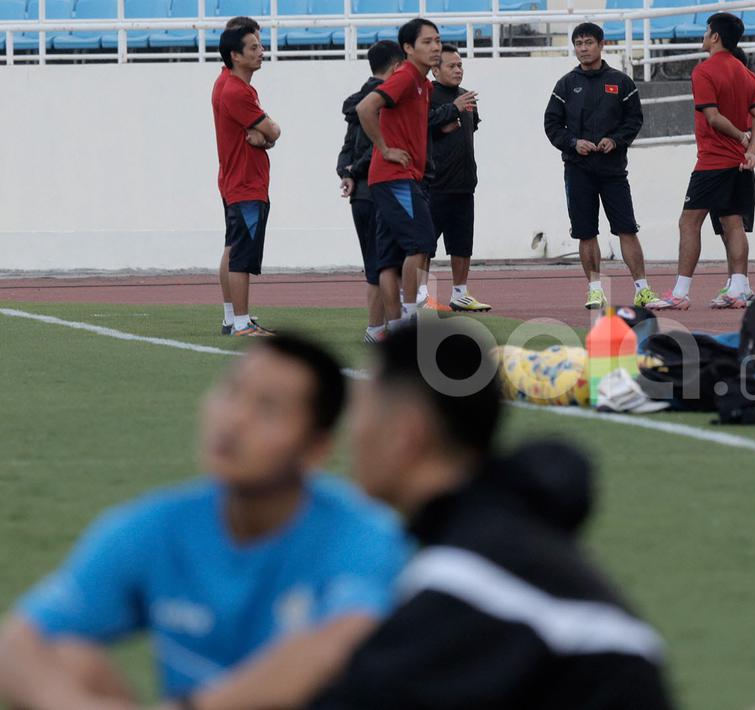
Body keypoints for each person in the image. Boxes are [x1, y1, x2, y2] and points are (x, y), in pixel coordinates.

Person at [0, 336, 408, 709]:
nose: (234, 419)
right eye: (232, 392)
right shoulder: (161, 526)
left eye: (267, 408)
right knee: (69, 661)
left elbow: (339, 643)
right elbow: (15, 644)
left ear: (316, 448)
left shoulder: (362, 535)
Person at [310, 322, 675, 709]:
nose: (352, 433)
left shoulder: (465, 581)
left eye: (361, 411)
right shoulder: (498, 538)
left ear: (405, 432)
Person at [648, 12, 755, 311]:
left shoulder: (704, 72)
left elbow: (713, 118)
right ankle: (739, 288)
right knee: (733, 223)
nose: (703, 36)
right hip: (739, 164)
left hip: (713, 162)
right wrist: (752, 149)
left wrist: (741, 138)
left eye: (706, 31)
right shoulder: (746, 73)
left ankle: (680, 292)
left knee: (689, 222)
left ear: (715, 36)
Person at [544, 22, 660, 311]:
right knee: (585, 232)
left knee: (626, 229)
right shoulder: (565, 85)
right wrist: (573, 143)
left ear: (601, 45)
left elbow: (634, 120)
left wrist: (615, 140)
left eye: (588, 42)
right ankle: (595, 290)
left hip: (613, 171)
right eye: (578, 43)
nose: (583, 48)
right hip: (578, 169)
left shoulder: (621, 82)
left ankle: (642, 290)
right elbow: (552, 124)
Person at [356, 19, 441, 330]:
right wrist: (385, 148)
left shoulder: (423, 83)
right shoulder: (405, 76)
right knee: (421, 242)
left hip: (398, 178)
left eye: (437, 41)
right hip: (394, 177)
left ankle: (382, 330)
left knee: (390, 258)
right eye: (427, 42)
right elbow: (366, 107)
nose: (435, 47)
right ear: (408, 48)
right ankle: (409, 316)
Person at [212, 23, 280, 337]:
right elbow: (274, 130)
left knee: (232, 247)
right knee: (241, 254)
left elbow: (265, 134)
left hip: (235, 180)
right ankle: (241, 323)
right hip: (245, 183)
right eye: (253, 47)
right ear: (235, 55)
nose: (260, 51)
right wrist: (269, 137)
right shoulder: (237, 91)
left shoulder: (228, 84)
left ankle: (233, 318)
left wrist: (264, 138)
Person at [338, 40, 406, 344]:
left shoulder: (355, 103)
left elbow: (349, 148)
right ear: (396, 67)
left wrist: (346, 172)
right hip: (381, 190)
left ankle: (375, 327)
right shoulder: (386, 101)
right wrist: (354, 171)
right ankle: (390, 328)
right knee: (389, 264)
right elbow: (382, 148)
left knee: (373, 263)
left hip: (360, 196)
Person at [426, 44, 492, 313]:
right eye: (451, 66)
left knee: (462, 243)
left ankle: (460, 293)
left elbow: (470, 128)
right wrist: (448, 116)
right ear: (435, 69)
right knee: (424, 245)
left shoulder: (467, 97)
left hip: (464, 184)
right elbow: (419, 128)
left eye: (460, 65)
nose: (458, 70)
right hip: (434, 184)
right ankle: (421, 295)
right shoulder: (427, 95)